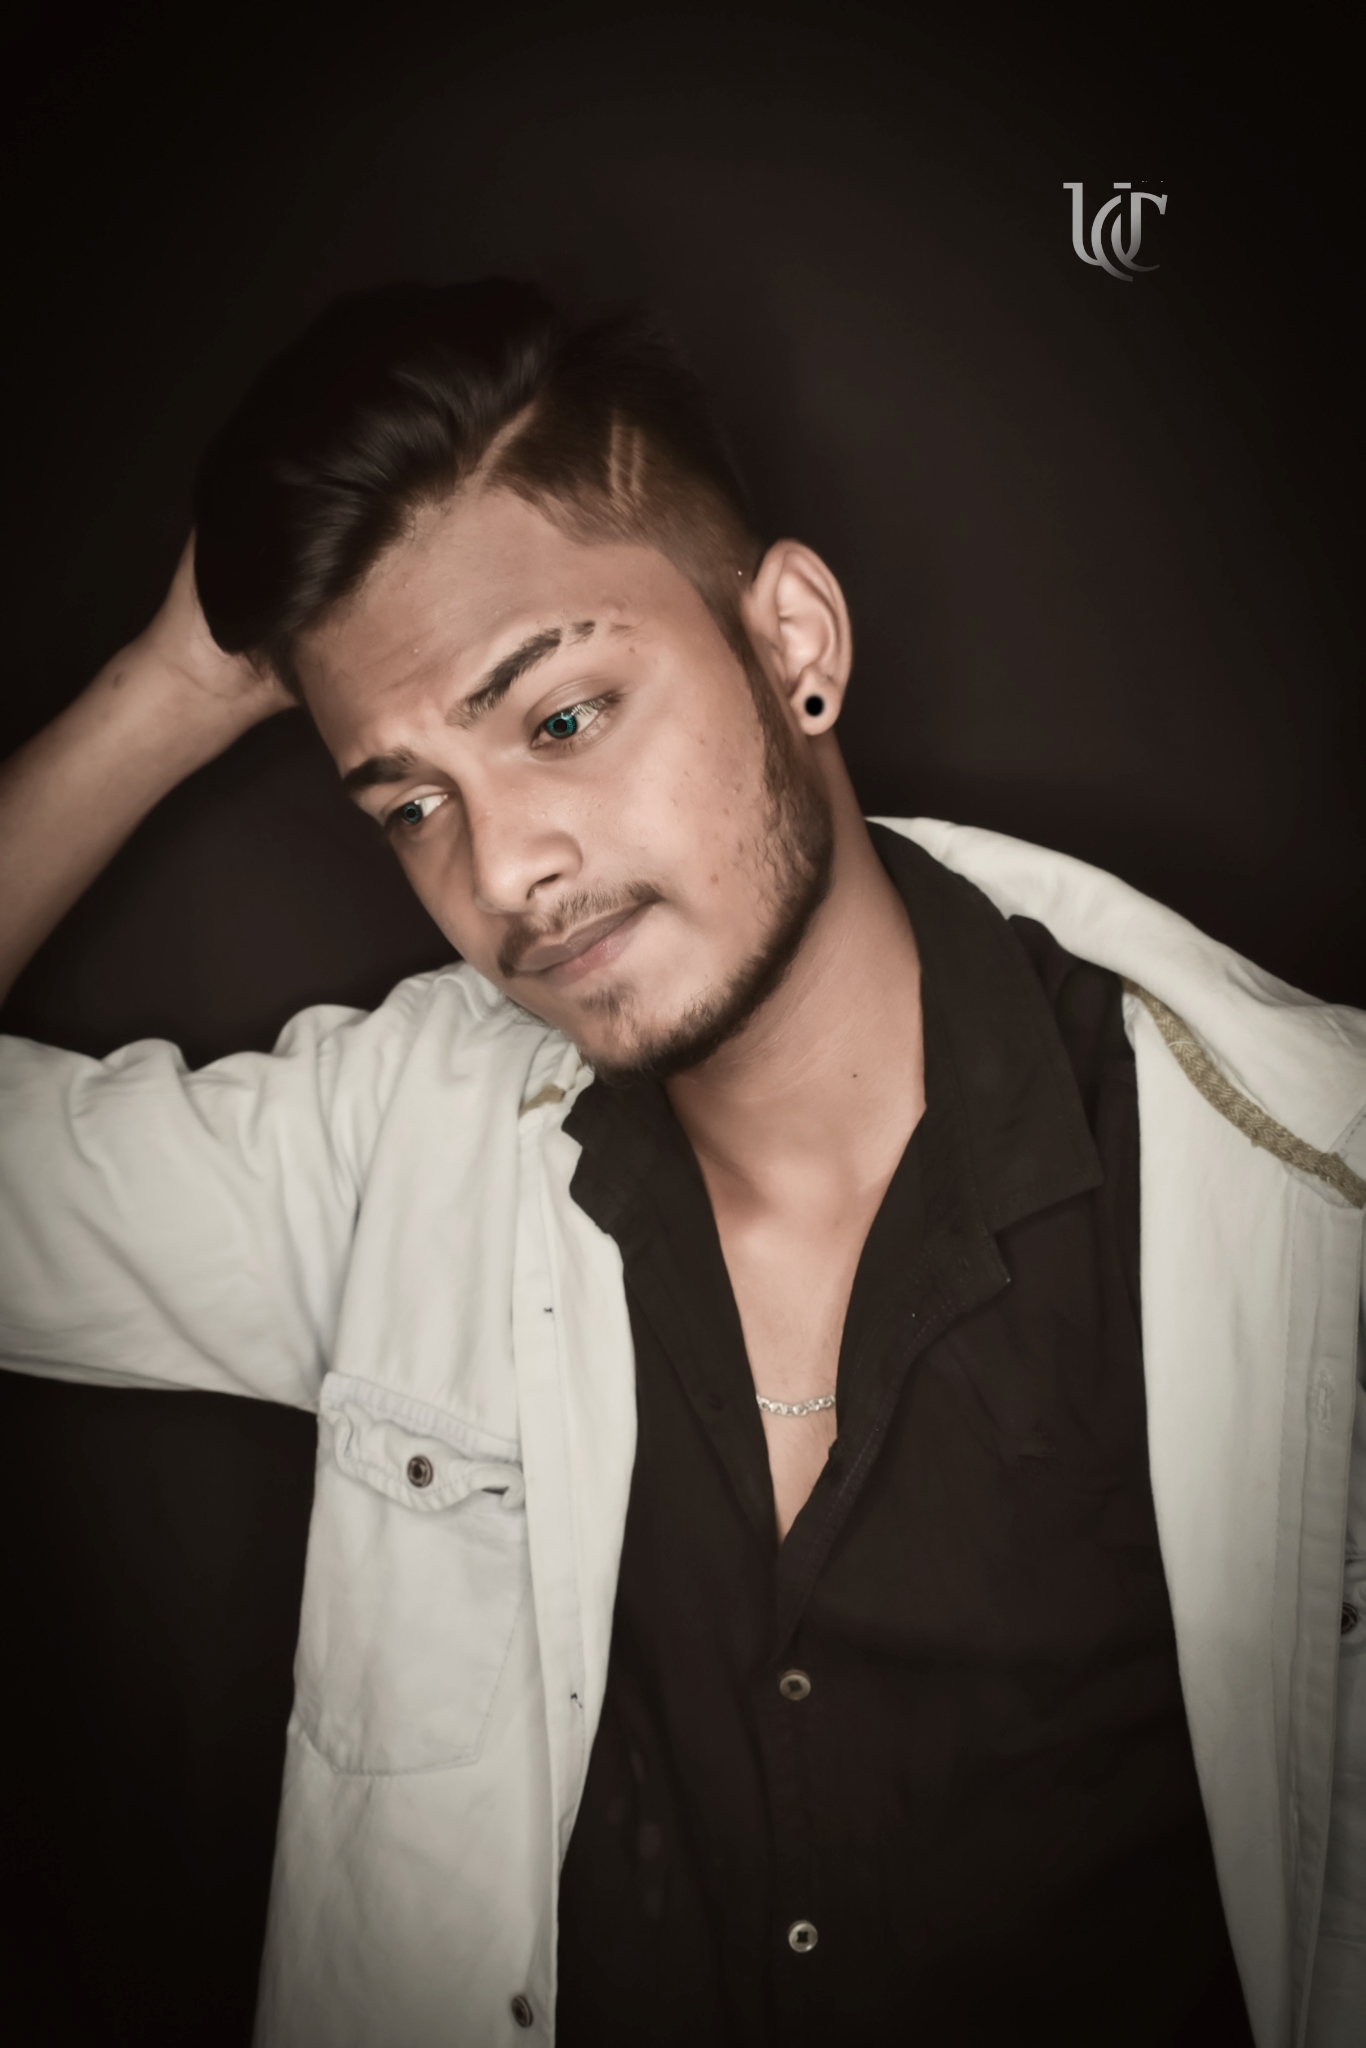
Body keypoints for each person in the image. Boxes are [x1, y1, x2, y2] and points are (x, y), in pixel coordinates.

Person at [0, 279, 1361, 2048]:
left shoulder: (1296, 1191)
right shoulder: (397, 1147)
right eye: (411, 804)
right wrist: (171, 690)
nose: (503, 872)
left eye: (560, 719)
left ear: (792, 640)